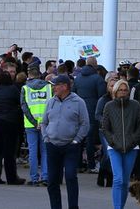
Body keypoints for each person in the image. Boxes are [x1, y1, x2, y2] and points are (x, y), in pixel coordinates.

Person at [44, 73, 91, 209]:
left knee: (70, 176)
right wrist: (46, 138)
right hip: (52, 145)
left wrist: (76, 140)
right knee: (52, 180)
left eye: (55, 86)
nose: (53, 88)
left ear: (64, 87)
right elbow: (44, 122)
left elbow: (85, 124)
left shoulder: (78, 102)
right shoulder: (51, 102)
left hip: (71, 146)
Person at [101, 79, 140, 209]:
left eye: (125, 90)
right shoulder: (109, 106)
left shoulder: (135, 105)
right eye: (120, 90)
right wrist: (112, 141)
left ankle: (121, 206)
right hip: (114, 147)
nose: (123, 92)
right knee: (118, 179)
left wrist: (133, 140)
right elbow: (105, 128)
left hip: (132, 147)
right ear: (115, 91)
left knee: (125, 181)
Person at [0, 67, 24, 185]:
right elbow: (19, 102)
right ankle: (12, 177)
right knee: (9, 151)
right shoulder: (12, 89)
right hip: (10, 122)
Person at [73, 59, 106, 172]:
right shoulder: (98, 79)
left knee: (79, 138)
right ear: (95, 65)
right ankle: (91, 165)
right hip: (92, 111)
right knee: (90, 139)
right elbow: (102, 96)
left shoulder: (78, 78)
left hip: (79, 111)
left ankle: (78, 164)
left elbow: (73, 94)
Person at [22, 68, 52, 185]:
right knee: (45, 151)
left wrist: (35, 122)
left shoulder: (25, 88)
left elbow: (24, 107)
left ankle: (34, 178)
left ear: (29, 76)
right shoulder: (48, 87)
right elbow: (52, 106)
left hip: (30, 124)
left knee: (33, 151)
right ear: (40, 75)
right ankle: (45, 177)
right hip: (46, 123)